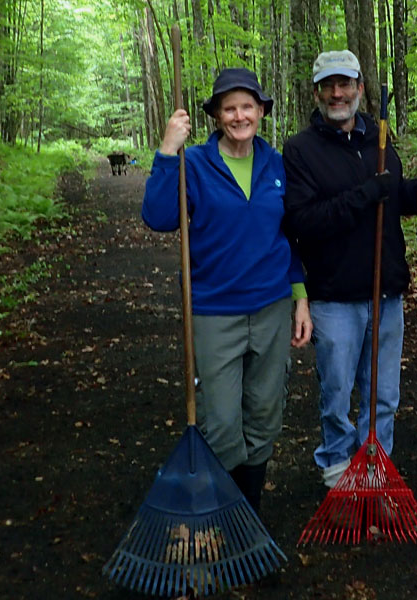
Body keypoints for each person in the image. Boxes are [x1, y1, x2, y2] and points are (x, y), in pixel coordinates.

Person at [142, 67, 312, 513]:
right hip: (215, 311)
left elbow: (290, 236)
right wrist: (166, 149)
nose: (239, 115)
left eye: (247, 106)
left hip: (273, 306)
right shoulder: (194, 163)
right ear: (217, 116)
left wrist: (300, 297)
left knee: (264, 415)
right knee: (219, 423)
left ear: (260, 111)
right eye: (229, 107)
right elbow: (158, 217)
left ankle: (247, 514)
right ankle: (220, 511)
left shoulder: (277, 164)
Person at [283, 50, 417, 489]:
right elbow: (304, 220)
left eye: (345, 84)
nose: (337, 93)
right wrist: (367, 194)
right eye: (329, 85)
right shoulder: (301, 150)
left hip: (386, 294)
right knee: (337, 392)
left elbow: (395, 197)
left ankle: (375, 462)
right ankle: (337, 461)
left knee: (383, 394)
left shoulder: (379, 140)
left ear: (361, 88)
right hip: (333, 296)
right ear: (317, 92)